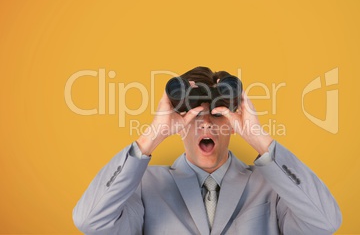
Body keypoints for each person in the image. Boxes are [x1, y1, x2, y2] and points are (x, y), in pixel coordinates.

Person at [73, 67, 342, 235]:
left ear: (233, 125)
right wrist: (153, 134)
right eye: (193, 114)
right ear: (178, 127)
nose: (205, 123)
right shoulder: (145, 186)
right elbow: (89, 221)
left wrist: (259, 138)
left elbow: (325, 223)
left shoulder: (271, 188)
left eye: (216, 113)